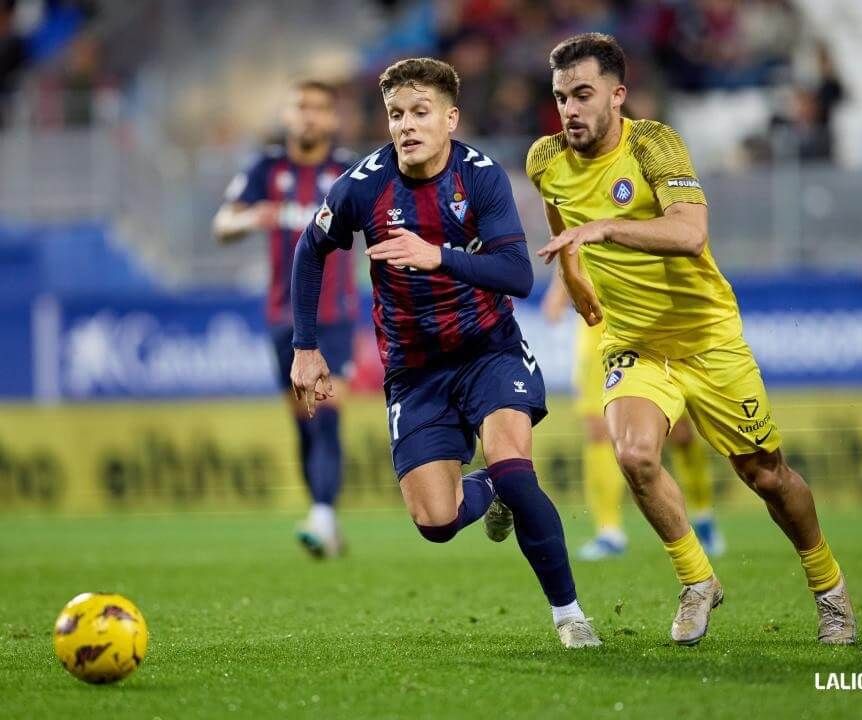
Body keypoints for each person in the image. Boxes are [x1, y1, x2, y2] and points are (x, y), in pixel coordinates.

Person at [528, 33, 856, 646]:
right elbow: (560, 222)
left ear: (617, 94)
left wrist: (605, 228)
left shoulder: (653, 144)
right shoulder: (545, 159)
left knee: (766, 476)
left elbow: (689, 233)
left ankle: (829, 586)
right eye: (560, 97)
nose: (569, 109)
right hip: (633, 341)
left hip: (707, 338)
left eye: (582, 95)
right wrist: (573, 276)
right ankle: (697, 579)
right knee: (632, 454)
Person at [289, 57, 600, 648]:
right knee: (435, 522)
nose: (406, 125)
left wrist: (438, 255)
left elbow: (517, 274)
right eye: (396, 115)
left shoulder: (480, 178)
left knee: (517, 470)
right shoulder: (361, 186)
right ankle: (487, 492)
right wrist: (306, 346)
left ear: (450, 119)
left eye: (420, 113)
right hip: (415, 372)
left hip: (489, 351)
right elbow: (310, 251)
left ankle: (570, 616)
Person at [213, 79, 357, 558]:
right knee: (303, 422)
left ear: (332, 119)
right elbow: (223, 223)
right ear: (288, 115)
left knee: (327, 414)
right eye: (301, 107)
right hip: (284, 318)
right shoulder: (265, 168)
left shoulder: (348, 171)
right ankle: (325, 517)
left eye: (319, 108)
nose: (310, 117)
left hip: (336, 315)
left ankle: (322, 513)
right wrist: (250, 218)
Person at [541, 278, 726, 560]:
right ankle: (608, 531)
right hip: (599, 338)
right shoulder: (577, 233)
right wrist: (559, 290)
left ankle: (702, 515)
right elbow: (568, 259)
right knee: (598, 430)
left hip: (651, 330)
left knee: (681, 432)